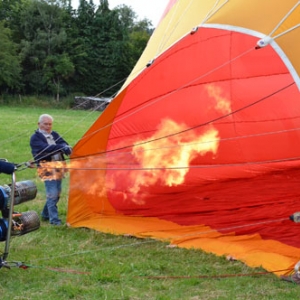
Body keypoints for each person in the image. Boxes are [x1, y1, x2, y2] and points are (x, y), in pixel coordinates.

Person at [30, 114, 72, 225]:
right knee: (52, 194)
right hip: (47, 168)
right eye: (45, 124)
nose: (48, 126)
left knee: (56, 194)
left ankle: (45, 214)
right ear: (39, 124)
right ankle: (54, 221)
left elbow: (63, 143)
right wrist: (61, 147)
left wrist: (67, 149)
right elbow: (46, 149)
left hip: (59, 167)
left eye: (50, 124)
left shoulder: (54, 134)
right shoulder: (35, 138)